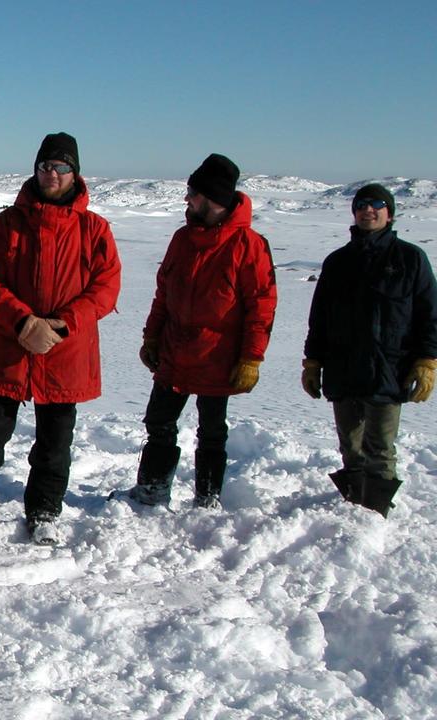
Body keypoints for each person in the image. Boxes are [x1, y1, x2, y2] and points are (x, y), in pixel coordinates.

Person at [0, 132, 121, 545]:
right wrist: (23, 323)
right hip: (9, 347)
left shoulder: (94, 229)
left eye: (60, 166)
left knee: (54, 443)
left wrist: (60, 325)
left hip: (65, 351)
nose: (51, 173)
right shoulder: (7, 223)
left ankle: (45, 512)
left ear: (75, 173)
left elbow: (105, 289)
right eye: (45, 165)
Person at [122, 154, 277, 509]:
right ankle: (151, 491)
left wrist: (251, 357)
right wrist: (151, 335)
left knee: (212, 432)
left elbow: (261, 307)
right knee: (159, 422)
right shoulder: (182, 238)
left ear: (212, 197)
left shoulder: (249, 245)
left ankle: (207, 499)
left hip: (218, 355)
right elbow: (164, 292)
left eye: (192, 192)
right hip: (175, 350)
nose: (187, 199)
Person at [302, 183, 437, 517]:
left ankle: (375, 513)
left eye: (377, 204)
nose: (368, 210)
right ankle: (354, 508)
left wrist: (427, 360)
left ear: (389, 213)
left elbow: (429, 314)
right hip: (343, 367)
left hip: (388, 368)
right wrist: (313, 361)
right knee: (350, 444)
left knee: (379, 447)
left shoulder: (410, 259)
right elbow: (319, 317)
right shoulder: (338, 262)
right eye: (362, 205)